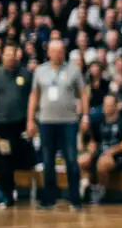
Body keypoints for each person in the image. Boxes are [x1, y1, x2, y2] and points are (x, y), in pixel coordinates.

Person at [26, 37, 87, 210]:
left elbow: (83, 93)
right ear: (48, 53)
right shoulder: (40, 71)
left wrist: (85, 115)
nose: (58, 54)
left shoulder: (73, 70)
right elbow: (34, 96)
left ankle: (75, 199)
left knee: (71, 160)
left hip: (69, 122)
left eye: (60, 51)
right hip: (46, 121)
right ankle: (49, 199)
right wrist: (30, 119)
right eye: (54, 51)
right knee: (48, 161)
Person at [0, 45, 33, 207]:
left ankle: (19, 191)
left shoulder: (26, 73)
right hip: (3, 124)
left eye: (13, 54)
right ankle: (6, 194)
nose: (11, 57)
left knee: (21, 157)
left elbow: (33, 95)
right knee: (4, 158)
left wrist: (31, 119)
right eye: (7, 55)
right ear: (3, 56)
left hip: (21, 124)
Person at [79, 94, 122, 206]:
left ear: (115, 106)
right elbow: (94, 140)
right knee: (82, 160)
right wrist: (91, 147)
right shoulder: (99, 121)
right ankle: (85, 187)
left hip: (118, 155)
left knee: (102, 163)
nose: (105, 108)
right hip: (100, 152)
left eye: (109, 105)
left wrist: (113, 150)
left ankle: (102, 191)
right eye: (104, 105)